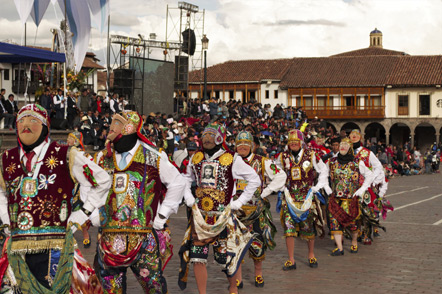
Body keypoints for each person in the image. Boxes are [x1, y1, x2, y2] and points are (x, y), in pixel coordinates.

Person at [0, 104, 110, 292]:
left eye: (33, 120)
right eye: (21, 120)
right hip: (17, 247)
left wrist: (82, 214)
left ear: (45, 127)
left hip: (56, 247)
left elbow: (102, 180)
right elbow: (1, 192)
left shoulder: (66, 155)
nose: (25, 125)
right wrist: (6, 219)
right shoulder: (6, 159)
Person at [94, 111, 186, 293]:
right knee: (110, 289)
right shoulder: (102, 157)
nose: (112, 130)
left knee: (154, 287)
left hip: (144, 237)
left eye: (118, 126)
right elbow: (89, 186)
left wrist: (162, 215)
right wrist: (94, 213)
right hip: (108, 238)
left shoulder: (154, 157)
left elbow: (178, 182)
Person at [179, 123, 261, 294]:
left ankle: (233, 288)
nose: (207, 138)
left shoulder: (232, 158)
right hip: (200, 217)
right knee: (197, 257)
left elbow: (254, 179)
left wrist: (238, 203)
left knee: (226, 258)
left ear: (220, 137)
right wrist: (188, 198)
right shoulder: (196, 158)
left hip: (222, 217)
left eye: (211, 135)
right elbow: (186, 178)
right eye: (205, 135)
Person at [233, 131, 287, 288]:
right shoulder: (230, 162)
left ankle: (258, 274)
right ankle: (238, 277)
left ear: (252, 146)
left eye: (245, 144)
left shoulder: (262, 162)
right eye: (239, 144)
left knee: (258, 242)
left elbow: (281, 175)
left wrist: (266, 191)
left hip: (256, 211)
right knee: (236, 244)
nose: (242, 147)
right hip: (236, 212)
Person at [275, 129, 330, 270]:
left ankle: (311, 255)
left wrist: (317, 187)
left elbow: (323, 170)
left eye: (296, 141)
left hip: (307, 197)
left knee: (308, 227)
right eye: (290, 142)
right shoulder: (282, 156)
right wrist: (280, 187)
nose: (293, 144)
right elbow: (275, 172)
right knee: (289, 229)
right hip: (289, 197)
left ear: (301, 142)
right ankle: (291, 259)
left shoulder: (311, 155)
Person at [328, 137, 374, 256]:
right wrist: (325, 186)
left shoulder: (357, 162)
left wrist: (362, 189)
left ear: (350, 147)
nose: (342, 147)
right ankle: (340, 248)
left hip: (350, 199)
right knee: (334, 222)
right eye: (341, 145)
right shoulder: (332, 161)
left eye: (345, 145)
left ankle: (354, 241)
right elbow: (322, 172)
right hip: (336, 199)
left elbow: (369, 175)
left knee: (352, 223)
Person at [349, 129, 383, 245]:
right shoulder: (346, 152)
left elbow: (378, 166)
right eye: (351, 137)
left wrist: (372, 179)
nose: (353, 139)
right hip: (351, 187)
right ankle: (356, 232)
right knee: (353, 211)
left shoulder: (367, 153)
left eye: (355, 137)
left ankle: (367, 234)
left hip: (365, 187)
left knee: (366, 211)